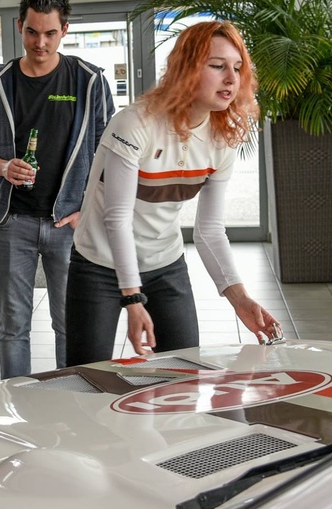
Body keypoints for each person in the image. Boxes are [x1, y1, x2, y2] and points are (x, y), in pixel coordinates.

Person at [66, 21, 280, 363]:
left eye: (237, 68)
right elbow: (117, 218)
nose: (231, 78)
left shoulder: (221, 139)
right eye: (218, 65)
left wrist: (240, 299)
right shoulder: (135, 124)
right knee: (87, 377)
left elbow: (209, 231)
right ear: (187, 69)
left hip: (165, 263)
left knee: (185, 373)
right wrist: (132, 298)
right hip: (99, 262)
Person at [0, 0, 115, 379]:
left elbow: (109, 153)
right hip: (12, 223)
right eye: (32, 32)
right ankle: (18, 404)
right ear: (20, 26)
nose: (40, 43)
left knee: (71, 323)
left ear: (64, 30)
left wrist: (88, 209)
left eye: (50, 33)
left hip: (70, 224)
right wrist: (2, 167)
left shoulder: (88, 81)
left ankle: (74, 399)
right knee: (13, 326)